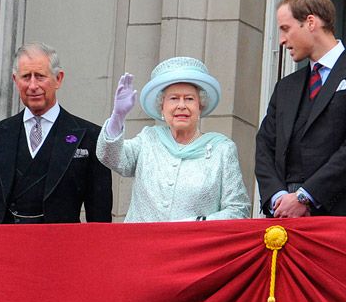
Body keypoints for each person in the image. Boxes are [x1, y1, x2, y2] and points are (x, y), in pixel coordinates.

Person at [255, 0, 346, 217]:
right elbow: (264, 146)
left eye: (286, 29)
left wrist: (305, 197)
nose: (282, 40)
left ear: (310, 22)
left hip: (339, 215)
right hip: (282, 217)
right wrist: (278, 198)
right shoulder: (286, 86)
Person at [96, 57, 250, 222]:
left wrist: (199, 222)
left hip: (193, 245)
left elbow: (239, 210)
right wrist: (118, 117)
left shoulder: (222, 150)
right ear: (162, 106)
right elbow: (110, 157)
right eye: (174, 98)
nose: (181, 105)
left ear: (200, 106)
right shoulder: (148, 139)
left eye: (189, 99)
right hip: (141, 245)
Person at [0, 42, 112, 224]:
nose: (32, 85)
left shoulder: (90, 137)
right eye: (25, 77)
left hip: (59, 248)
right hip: (4, 246)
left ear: (59, 79)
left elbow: (99, 218)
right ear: (15, 81)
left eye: (40, 76)